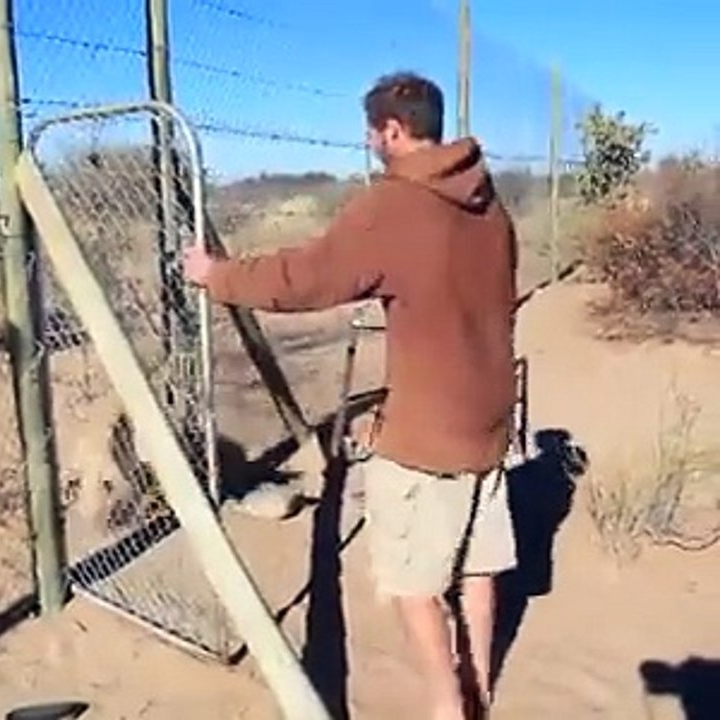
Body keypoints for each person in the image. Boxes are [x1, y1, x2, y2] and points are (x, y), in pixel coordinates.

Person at [183, 71, 518, 720]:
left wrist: (215, 274)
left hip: (426, 432)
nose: (368, 142)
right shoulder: (487, 201)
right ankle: (481, 688)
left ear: (392, 131)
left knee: (412, 584)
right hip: (490, 418)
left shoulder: (393, 205)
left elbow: (304, 279)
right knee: (477, 568)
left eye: (371, 131)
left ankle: (449, 708)